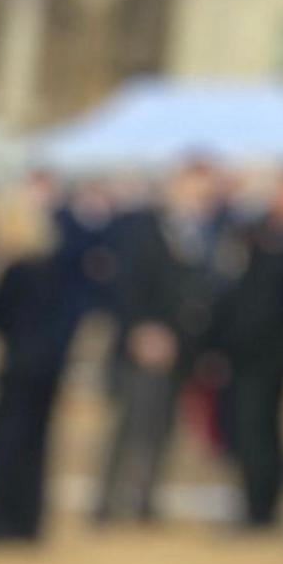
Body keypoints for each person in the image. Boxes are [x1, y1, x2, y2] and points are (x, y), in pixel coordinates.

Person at [96, 160, 225, 526]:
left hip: (184, 346)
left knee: (164, 426)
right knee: (131, 423)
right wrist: (142, 331)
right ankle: (108, 499)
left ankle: (145, 499)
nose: (199, 197)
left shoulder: (212, 234)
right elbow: (127, 284)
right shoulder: (145, 228)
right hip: (145, 344)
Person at [210, 170, 283, 530]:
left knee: (261, 429)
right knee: (248, 429)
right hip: (245, 348)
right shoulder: (258, 233)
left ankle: (260, 507)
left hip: (276, 349)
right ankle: (257, 504)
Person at [0, 187, 71, 543]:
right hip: (47, 367)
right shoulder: (53, 267)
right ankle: (28, 523)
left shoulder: (13, 270)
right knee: (35, 444)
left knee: (7, 444)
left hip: (16, 366)